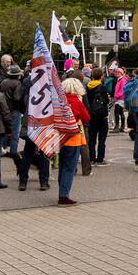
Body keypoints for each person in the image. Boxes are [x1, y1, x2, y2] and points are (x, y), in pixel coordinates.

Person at [57, 77, 90, 205]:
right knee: (69, 168)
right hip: (73, 138)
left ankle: (62, 191)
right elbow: (86, 118)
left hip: (60, 138)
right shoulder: (76, 102)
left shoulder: (59, 101)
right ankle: (64, 195)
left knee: (62, 166)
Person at [83, 67, 111, 166]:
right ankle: (100, 158)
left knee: (92, 138)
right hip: (101, 116)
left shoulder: (88, 87)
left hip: (91, 115)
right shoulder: (102, 87)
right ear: (101, 76)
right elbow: (107, 101)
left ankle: (92, 158)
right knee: (102, 139)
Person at [0, 64, 27, 159]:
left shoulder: (3, 82)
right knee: (15, 132)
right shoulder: (18, 84)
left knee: (4, 130)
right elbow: (17, 98)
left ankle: (2, 149)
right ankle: (13, 152)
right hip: (14, 110)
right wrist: (22, 109)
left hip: (4, 110)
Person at [112, 66, 128, 133]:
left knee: (117, 112)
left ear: (121, 73)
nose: (116, 73)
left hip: (120, 99)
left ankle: (117, 127)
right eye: (116, 72)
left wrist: (116, 96)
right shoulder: (120, 80)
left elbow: (122, 90)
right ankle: (121, 126)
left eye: (118, 72)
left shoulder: (122, 80)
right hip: (119, 99)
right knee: (120, 112)